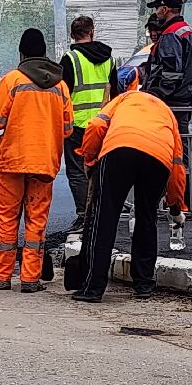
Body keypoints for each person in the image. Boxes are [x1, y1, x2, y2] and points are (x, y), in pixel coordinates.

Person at [71, 66, 188, 303]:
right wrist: (176, 205)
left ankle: (92, 287)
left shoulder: (125, 98)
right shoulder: (167, 115)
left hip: (119, 151)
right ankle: (144, 283)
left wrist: (91, 158)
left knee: (104, 218)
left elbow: (95, 126)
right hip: (158, 159)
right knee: (147, 218)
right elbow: (177, 167)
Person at [0, 28, 73, 294]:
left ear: (22, 53)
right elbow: (68, 129)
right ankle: (30, 279)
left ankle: (1, 276)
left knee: (8, 218)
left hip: (13, 161)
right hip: (44, 162)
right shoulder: (60, 85)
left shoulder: (12, 80)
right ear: (44, 53)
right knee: (37, 220)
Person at [59, 15, 119, 236]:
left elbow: (62, 95)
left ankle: (85, 215)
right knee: (100, 169)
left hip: (76, 126)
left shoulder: (70, 59)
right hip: (103, 124)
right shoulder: (110, 59)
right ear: (92, 32)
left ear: (72, 35)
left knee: (77, 171)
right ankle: (101, 212)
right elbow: (115, 93)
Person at [143, 0, 192, 208]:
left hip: (169, 104)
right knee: (184, 151)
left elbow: (170, 73)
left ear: (165, 9)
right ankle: (187, 200)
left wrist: (154, 98)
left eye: (157, 8)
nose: (156, 12)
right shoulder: (190, 33)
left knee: (170, 152)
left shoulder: (171, 35)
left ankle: (178, 201)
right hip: (184, 101)